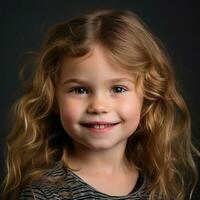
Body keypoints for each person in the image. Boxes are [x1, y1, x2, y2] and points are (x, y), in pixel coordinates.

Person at [1, 8, 200, 200]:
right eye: (80, 90)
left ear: (147, 96)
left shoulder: (157, 184)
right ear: (53, 97)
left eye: (118, 89)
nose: (98, 106)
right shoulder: (43, 193)